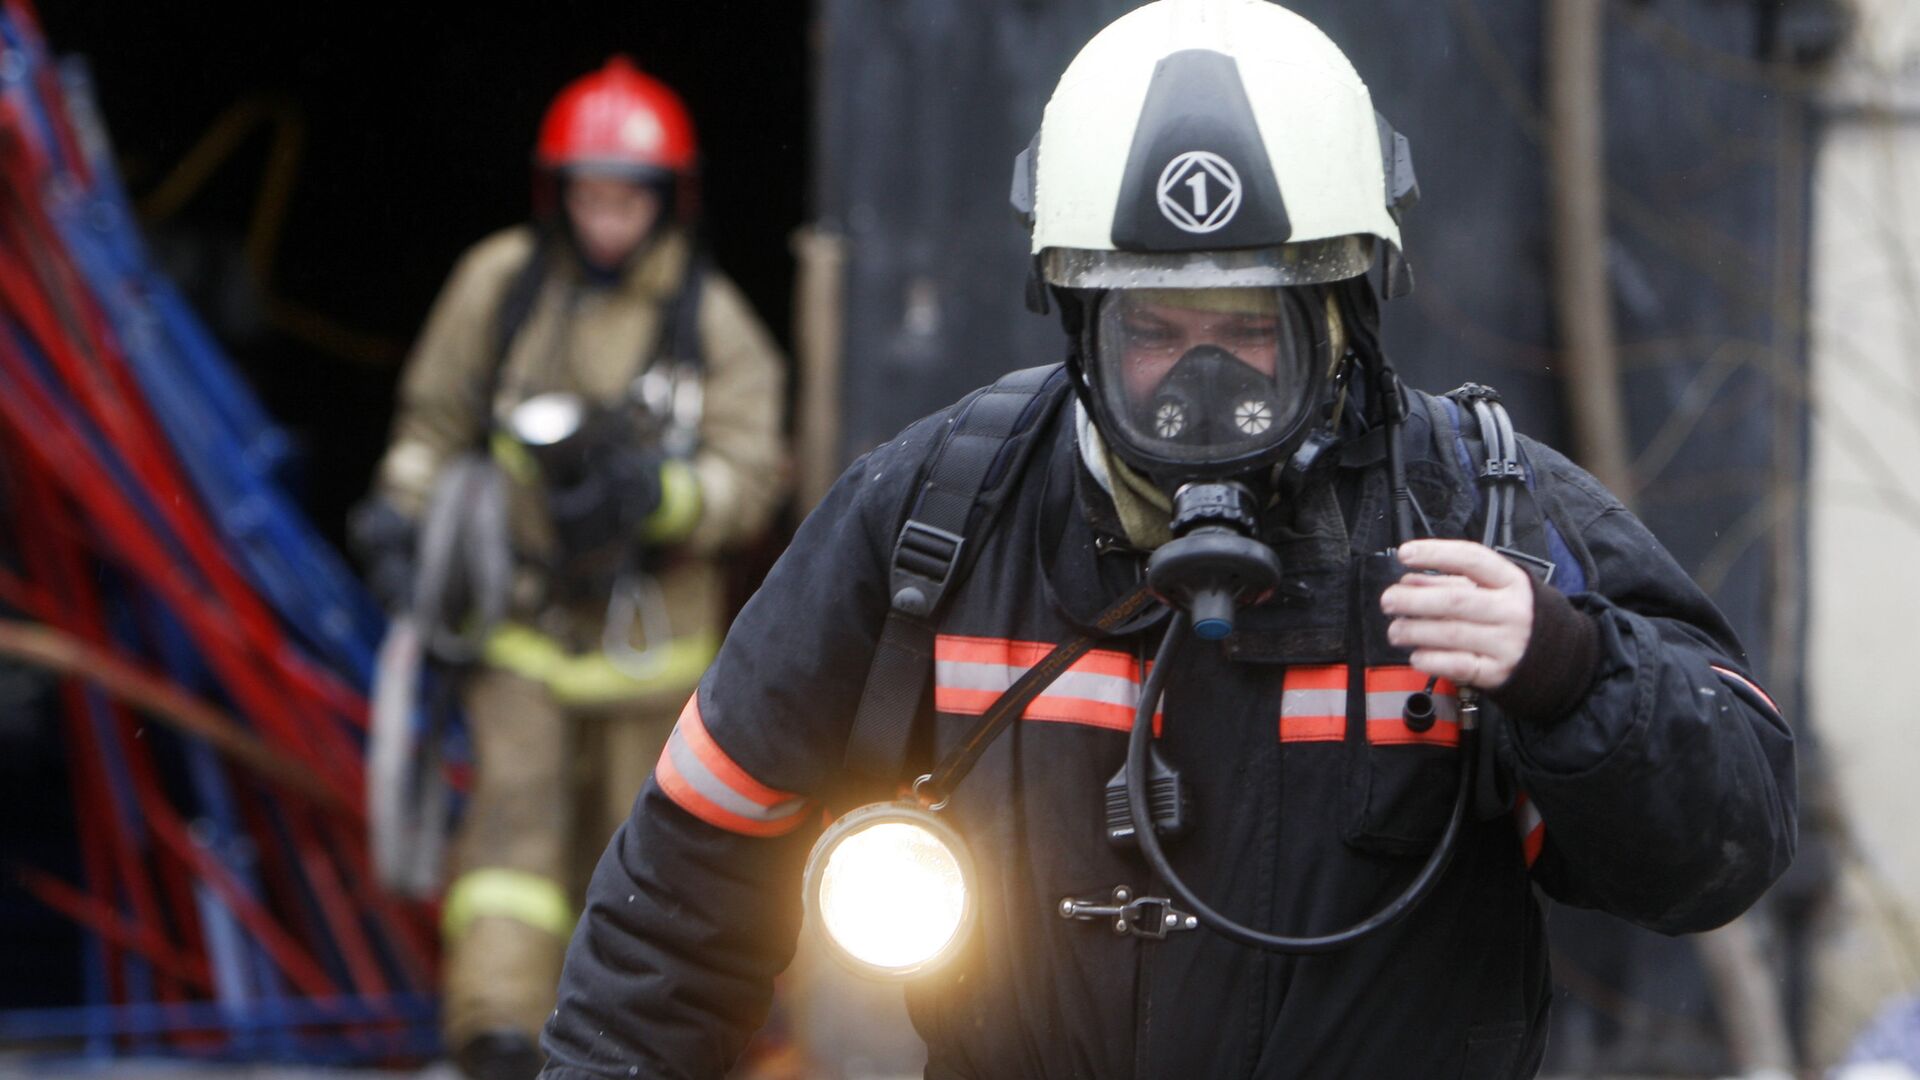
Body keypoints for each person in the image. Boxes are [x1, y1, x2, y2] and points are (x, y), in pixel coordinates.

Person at [536, 3, 1796, 1077]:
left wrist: (1571, 672)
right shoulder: (938, 513)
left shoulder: (1483, 515)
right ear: (1078, 322)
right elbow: (687, 881)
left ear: (1346, 316)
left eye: (1251, 332)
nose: (1204, 382)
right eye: (1156, 332)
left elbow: (1721, 853)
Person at [349, 56, 788, 1080]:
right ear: (559, 194)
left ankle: (633, 1052)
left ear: (666, 201)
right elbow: (434, 423)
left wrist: (661, 502)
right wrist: (400, 514)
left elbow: (750, 474)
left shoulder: (712, 322)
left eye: (628, 197)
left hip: (652, 650)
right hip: (521, 633)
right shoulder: (498, 288)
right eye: (589, 195)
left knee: (646, 861)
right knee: (510, 846)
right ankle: (499, 1036)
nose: (607, 220)